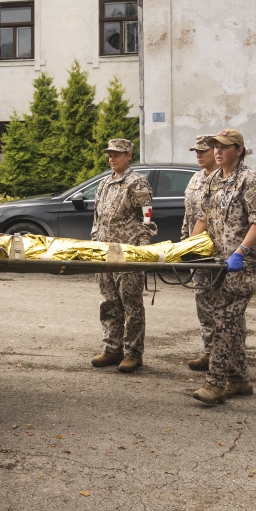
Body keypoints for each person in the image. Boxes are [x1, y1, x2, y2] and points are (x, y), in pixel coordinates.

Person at [190, 129, 256, 404]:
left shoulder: (250, 180)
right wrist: (187, 248)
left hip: (241, 266)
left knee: (224, 322)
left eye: (224, 147)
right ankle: (240, 380)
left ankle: (215, 385)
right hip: (217, 265)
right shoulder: (213, 180)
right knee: (226, 321)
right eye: (215, 147)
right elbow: (204, 217)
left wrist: (241, 252)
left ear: (239, 150)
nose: (217, 151)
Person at [89, 138, 157, 373]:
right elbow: (97, 219)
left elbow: (147, 220)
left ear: (129, 155)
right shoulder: (105, 184)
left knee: (131, 305)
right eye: (110, 154)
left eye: (117, 154)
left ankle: (133, 353)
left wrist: (141, 251)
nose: (112, 158)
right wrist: (95, 243)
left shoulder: (137, 183)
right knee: (109, 303)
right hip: (105, 253)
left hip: (128, 254)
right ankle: (112, 348)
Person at [182, 134, 218, 372]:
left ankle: (227, 353)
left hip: (219, 251)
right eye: (196, 151)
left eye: (202, 151)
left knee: (223, 305)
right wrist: (184, 245)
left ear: (215, 151)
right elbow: (188, 216)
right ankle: (209, 351)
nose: (198, 155)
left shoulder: (224, 178)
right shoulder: (195, 179)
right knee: (203, 301)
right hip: (198, 251)